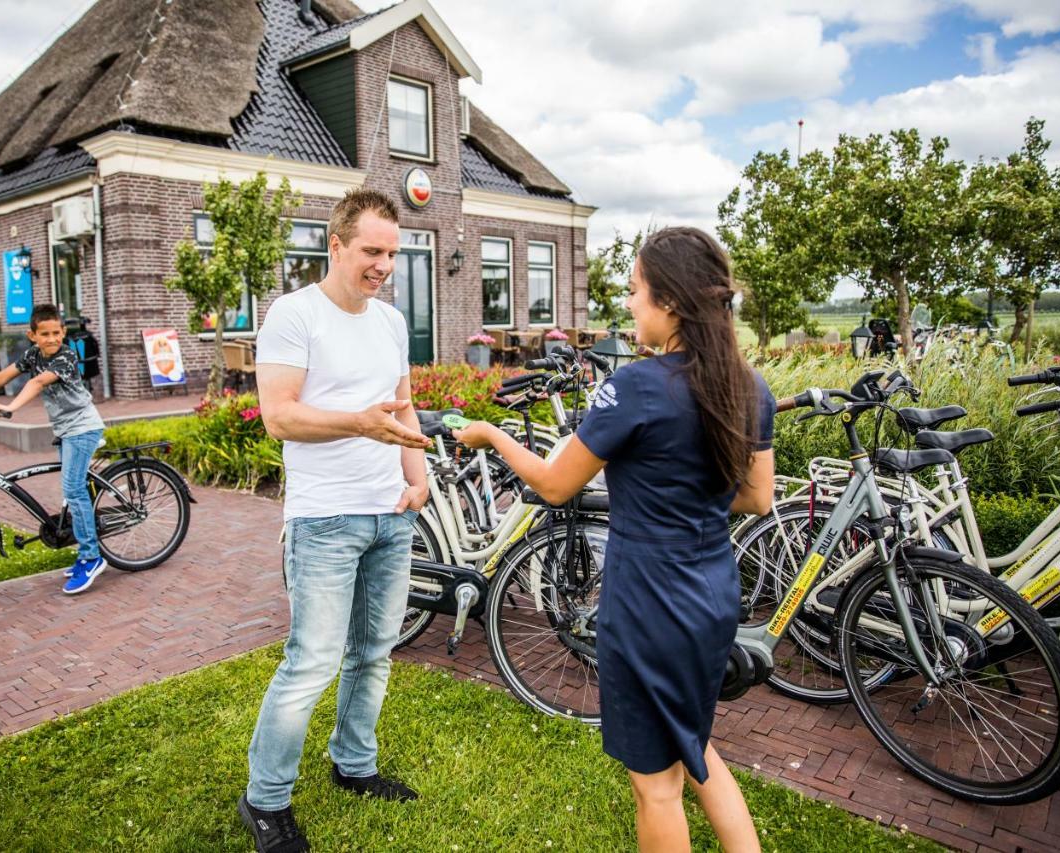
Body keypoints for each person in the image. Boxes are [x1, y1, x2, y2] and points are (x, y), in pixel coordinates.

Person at [454, 227, 774, 853]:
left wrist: (491, 435)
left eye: (635, 291)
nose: (628, 304)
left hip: (648, 604)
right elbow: (756, 498)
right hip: (712, 597)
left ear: (672, 302)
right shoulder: (750, 385)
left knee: (656, 787)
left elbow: (552, 484)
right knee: (695, 746)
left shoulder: (634, 386)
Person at [238, 189, 430, 853]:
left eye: (391, 254)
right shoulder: (294, 315)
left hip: (389, 516)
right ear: (338, 245)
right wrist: (358, 423)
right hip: (324, 520)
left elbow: (401, 405)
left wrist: (418, 478)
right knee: (313, 660)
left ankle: (355, 764)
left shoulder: (391, 321)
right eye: (372, 251)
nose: (383, 265)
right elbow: (280, 415)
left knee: (374, 651)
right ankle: (265, 799)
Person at [0, 303, 108, 595]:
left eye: (56, 332)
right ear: (32, 335)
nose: (52, 339)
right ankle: (84, 544)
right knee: (73, 491)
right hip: (64, 430)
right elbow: (2, 376)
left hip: (83, 428)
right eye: (45, 334)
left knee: (73, 489)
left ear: (63, 332)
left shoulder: (66, 356)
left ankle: (91, 557)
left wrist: (9, 407)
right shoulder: (33, 355)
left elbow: (37, 382)